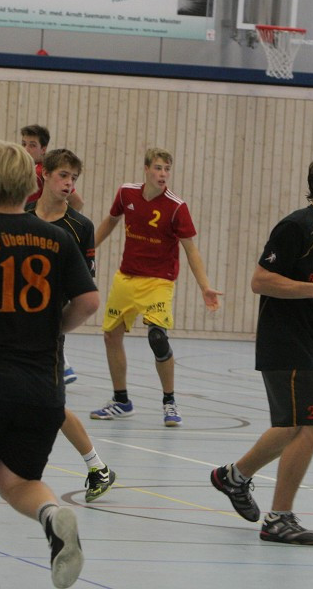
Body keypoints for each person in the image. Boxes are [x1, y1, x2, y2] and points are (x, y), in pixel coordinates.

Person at [0, 141, 99, 589]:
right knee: (18, 481)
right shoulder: (59, 238)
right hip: (43, 389)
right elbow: (88, 301)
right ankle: (52, 513)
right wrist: (57, 327)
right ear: (33, 182)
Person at [210, 151, 313, 545]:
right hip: (285, 342)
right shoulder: (296, 227)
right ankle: (278, 518)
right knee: (312, 426)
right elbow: (260, 280)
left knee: (291, 427)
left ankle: (234, 476)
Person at [90, 148, 222, 426]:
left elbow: (191, 250)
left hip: (159, 281)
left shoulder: (176, 207)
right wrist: (87, 251)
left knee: (157, 338)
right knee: (111, 336)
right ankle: (121, 400)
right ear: (147, 169)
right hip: (126, 277)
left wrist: (205, 286)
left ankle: (169, 402)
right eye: (159, 168)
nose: (163, 174)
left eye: (167, 169)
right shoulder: (126, 194)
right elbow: (110, 222)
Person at [20, 124, 83, 385]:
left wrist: (64, 225)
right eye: (23, 143)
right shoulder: (24, 170)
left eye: (31, 145)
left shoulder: (40, 173)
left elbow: (77, 203)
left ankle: (59, 362)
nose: (26, 149)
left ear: (43, 150)